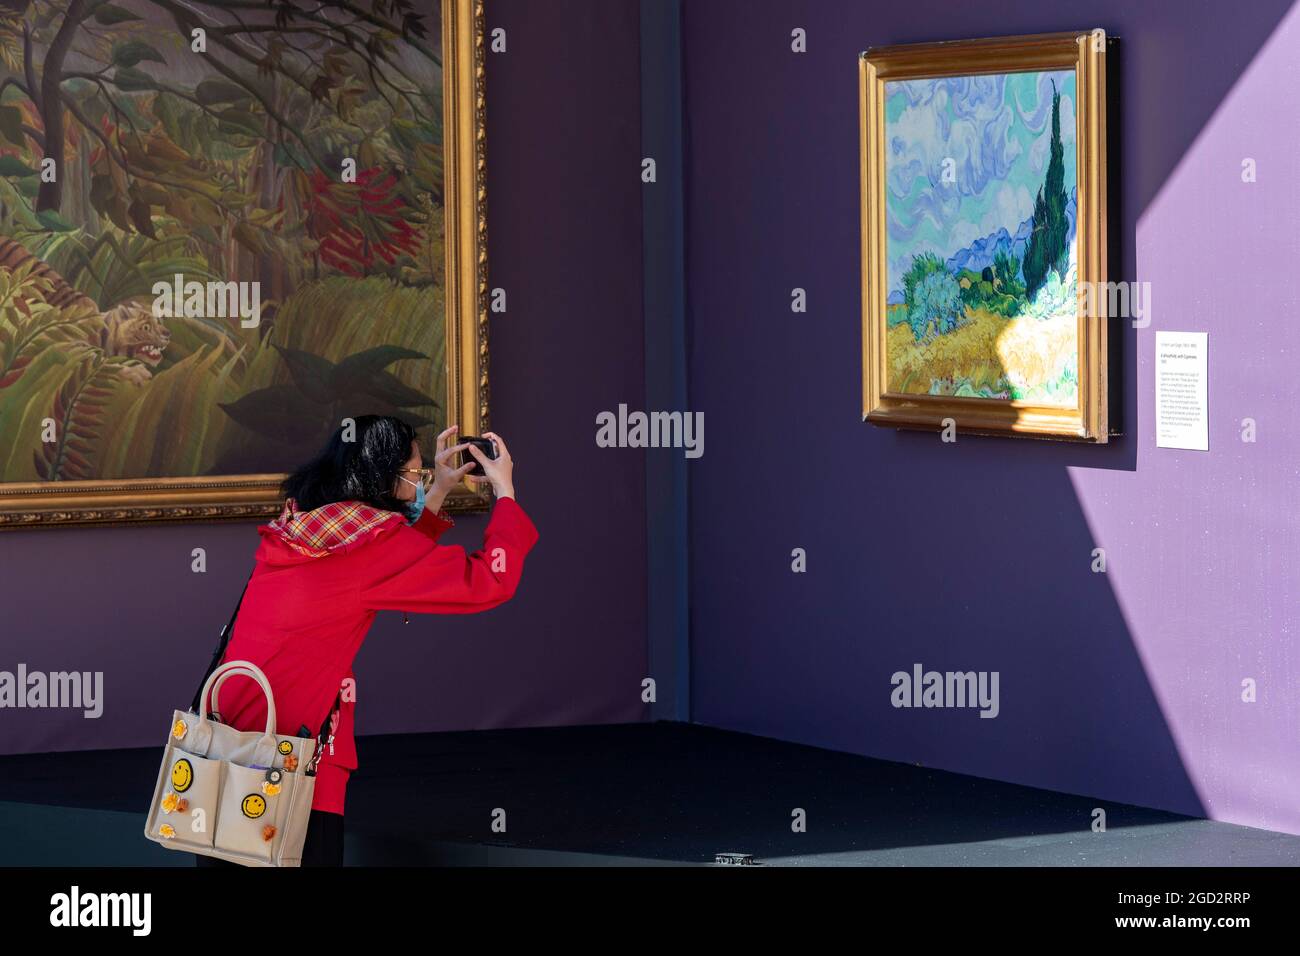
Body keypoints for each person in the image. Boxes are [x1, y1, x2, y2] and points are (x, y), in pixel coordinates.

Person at [194, 415, 538, 867]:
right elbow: (489, 579)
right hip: (296, 760)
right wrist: (506, 494)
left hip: (228, 746)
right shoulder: (371, 546)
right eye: (415, 474)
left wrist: (434, 493)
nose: (418, 483)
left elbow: (389, 564)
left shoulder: (303, 526)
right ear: (383, 476)